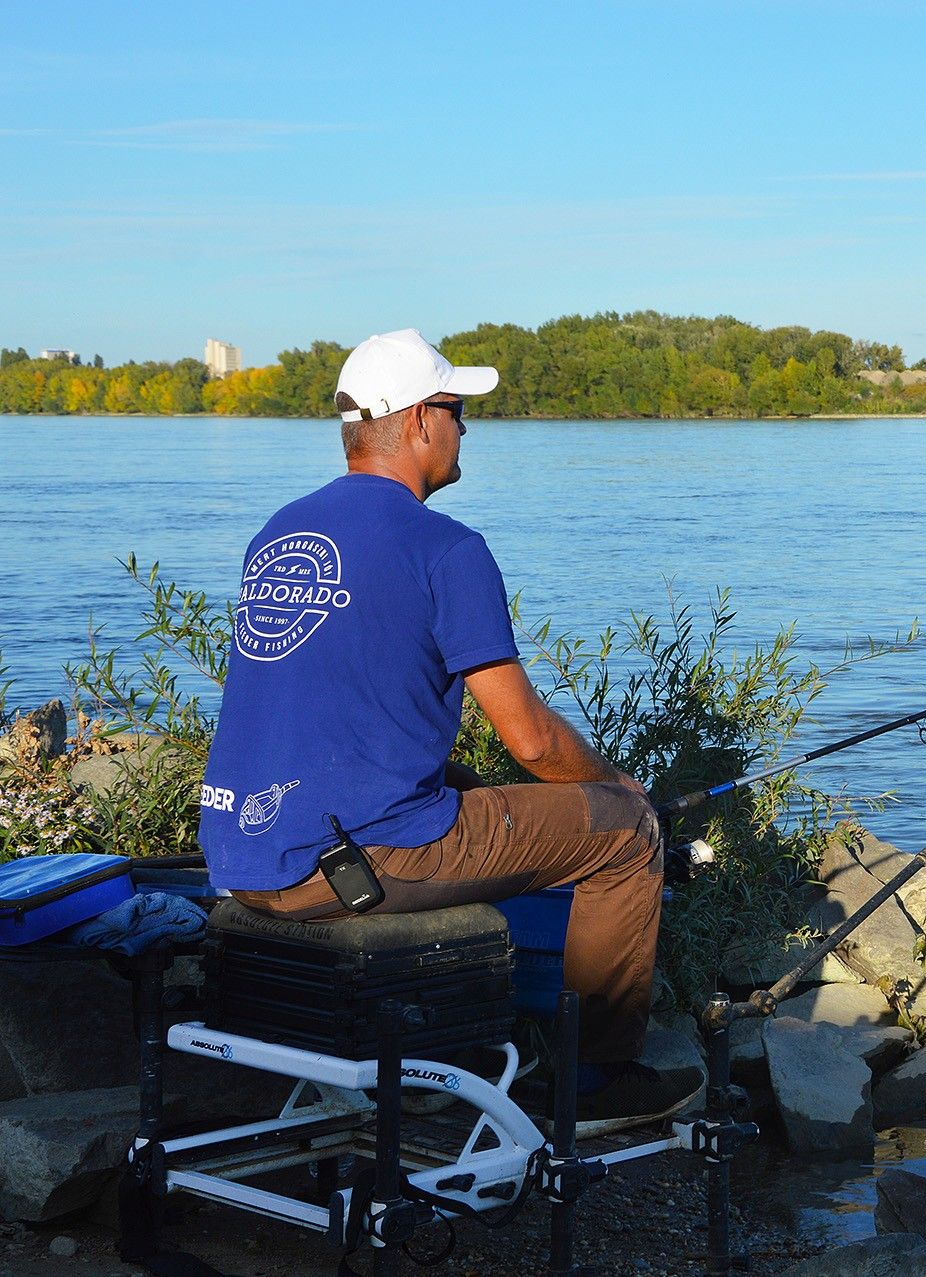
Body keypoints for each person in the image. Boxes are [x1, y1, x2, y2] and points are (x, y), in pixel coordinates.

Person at [198, 328, 692, 1131]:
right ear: (420, 420)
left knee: (478, 793)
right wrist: (617, 784)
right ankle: (593, 1082)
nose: (467, 430)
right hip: (350, 865)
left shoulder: (278, 533)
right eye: (460, 412)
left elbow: (336, 722)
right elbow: (529, 738)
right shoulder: (446, 547)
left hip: (244, 857)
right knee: (626, 832)